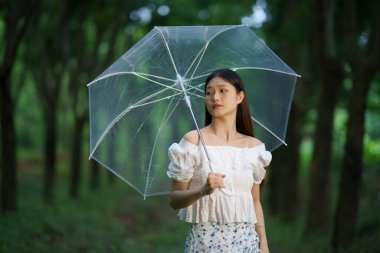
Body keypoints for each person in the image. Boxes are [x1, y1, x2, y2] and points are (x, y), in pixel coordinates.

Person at [167, 69, 272, 253]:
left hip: (247, 243)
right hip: (204, 244)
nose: (215, 97)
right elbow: (175, 199)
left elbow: (255, 201)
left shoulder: (254, 148)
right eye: (209, 92)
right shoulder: (193, 142)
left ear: (240, 96)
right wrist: (203, 190)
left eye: (223, 90)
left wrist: (263, 242)